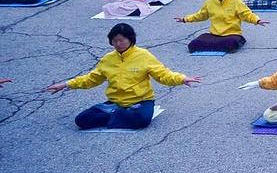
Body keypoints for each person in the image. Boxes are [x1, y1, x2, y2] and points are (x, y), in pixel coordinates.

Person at [44, 23, 200, 129]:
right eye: (114, 41)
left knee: (142, 120)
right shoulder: (108, 59)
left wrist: (181, 78)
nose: (118, 44)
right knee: (81, 120)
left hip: (141, 102)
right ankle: (117, 114)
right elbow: (91, 79)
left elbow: (162, 74)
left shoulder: (143, 55)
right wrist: (66, 84)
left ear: (130, 39)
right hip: (115, 103)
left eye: (122, 40)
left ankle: (113, 115)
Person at [176, 0, 266, 53]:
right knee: (193, 45)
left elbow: (246, 14)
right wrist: (185, 19)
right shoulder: (210, 1)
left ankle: (220, 44)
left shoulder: (236, 1)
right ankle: (215, 44)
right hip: (214, 35)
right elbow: (201, 15)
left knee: (230, 44)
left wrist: (257, 20)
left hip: (231, 34)